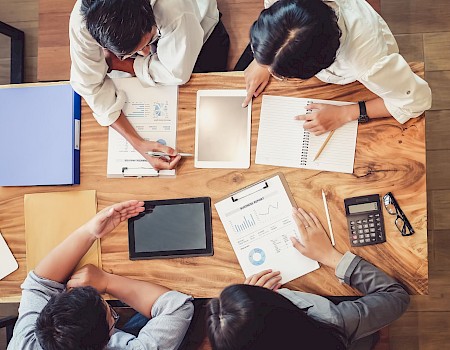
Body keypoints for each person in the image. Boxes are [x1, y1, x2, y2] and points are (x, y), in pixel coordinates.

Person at [206, 207, 410, 350]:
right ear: (281, 309)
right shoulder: (332, 321)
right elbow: (396, 296)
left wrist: (244, 312)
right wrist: (330, 256)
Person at [7, 200, 194, 350]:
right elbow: (178, 306)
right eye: (109, 312)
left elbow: (40, 284)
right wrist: (107, 281)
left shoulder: (25, 343)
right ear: (108, 337)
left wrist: (89, 232)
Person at [69, 0, 230, 170]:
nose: (145, 52)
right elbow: (89, 86)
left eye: (147, 43)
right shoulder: (82, 22)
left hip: (195, 25)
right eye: (133, 53)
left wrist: (122, 64)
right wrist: (138, 143)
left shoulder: (172, 8)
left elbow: (177, 73)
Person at [238, 0, 432, 135]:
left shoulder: (366, 63)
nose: (273, 73)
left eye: (284, 75)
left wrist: (345, 113)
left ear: (320, 63)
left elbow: (416, 101)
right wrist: (267, 56)